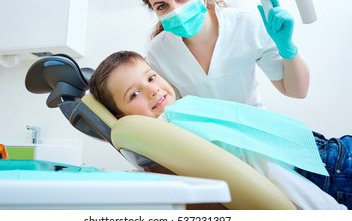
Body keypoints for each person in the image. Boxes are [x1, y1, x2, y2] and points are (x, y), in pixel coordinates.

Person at [89, 50, 351, 210]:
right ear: (120, 116)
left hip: (324, 153)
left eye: (151, 77)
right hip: (329, 171)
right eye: (134, 93)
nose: (152, 89)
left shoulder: (180, 112)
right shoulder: (172, 129)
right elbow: (261, 164)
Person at [137, 0, 310, 108]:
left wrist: (287, 48)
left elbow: (297, 91)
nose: (176, 10)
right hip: (201, 141)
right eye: (162, 6)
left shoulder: (245, 24)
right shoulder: (158, 53)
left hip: (256, 132)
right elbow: (173, 111)